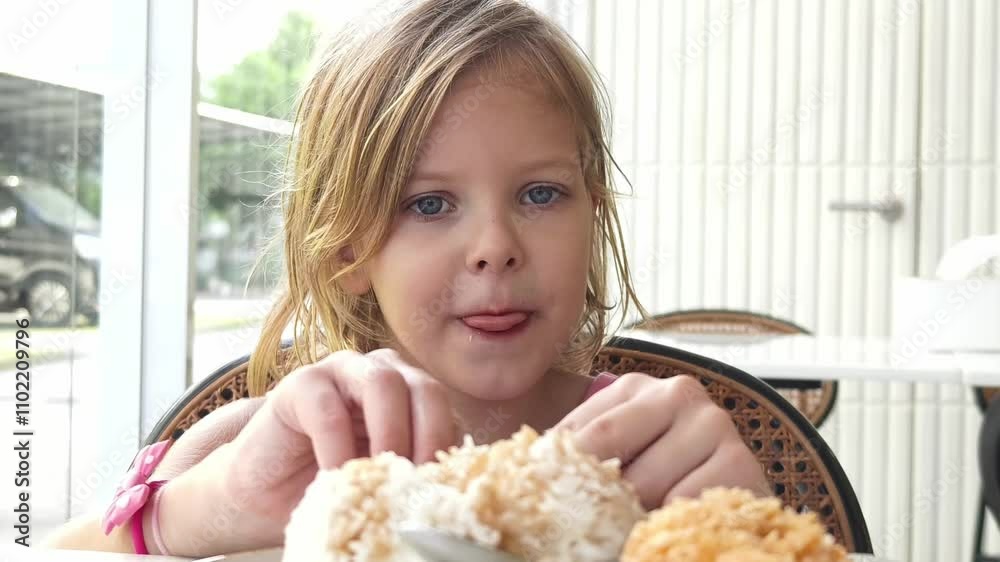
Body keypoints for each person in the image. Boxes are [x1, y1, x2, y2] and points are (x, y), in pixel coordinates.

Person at [42, 0, 767, 555]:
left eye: (541, 193)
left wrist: (748, 532)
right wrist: (199, 513)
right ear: (346, 251)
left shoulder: (661, 460)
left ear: (594, 212)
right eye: (428, 204)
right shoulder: (262, 447)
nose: (495, 247)